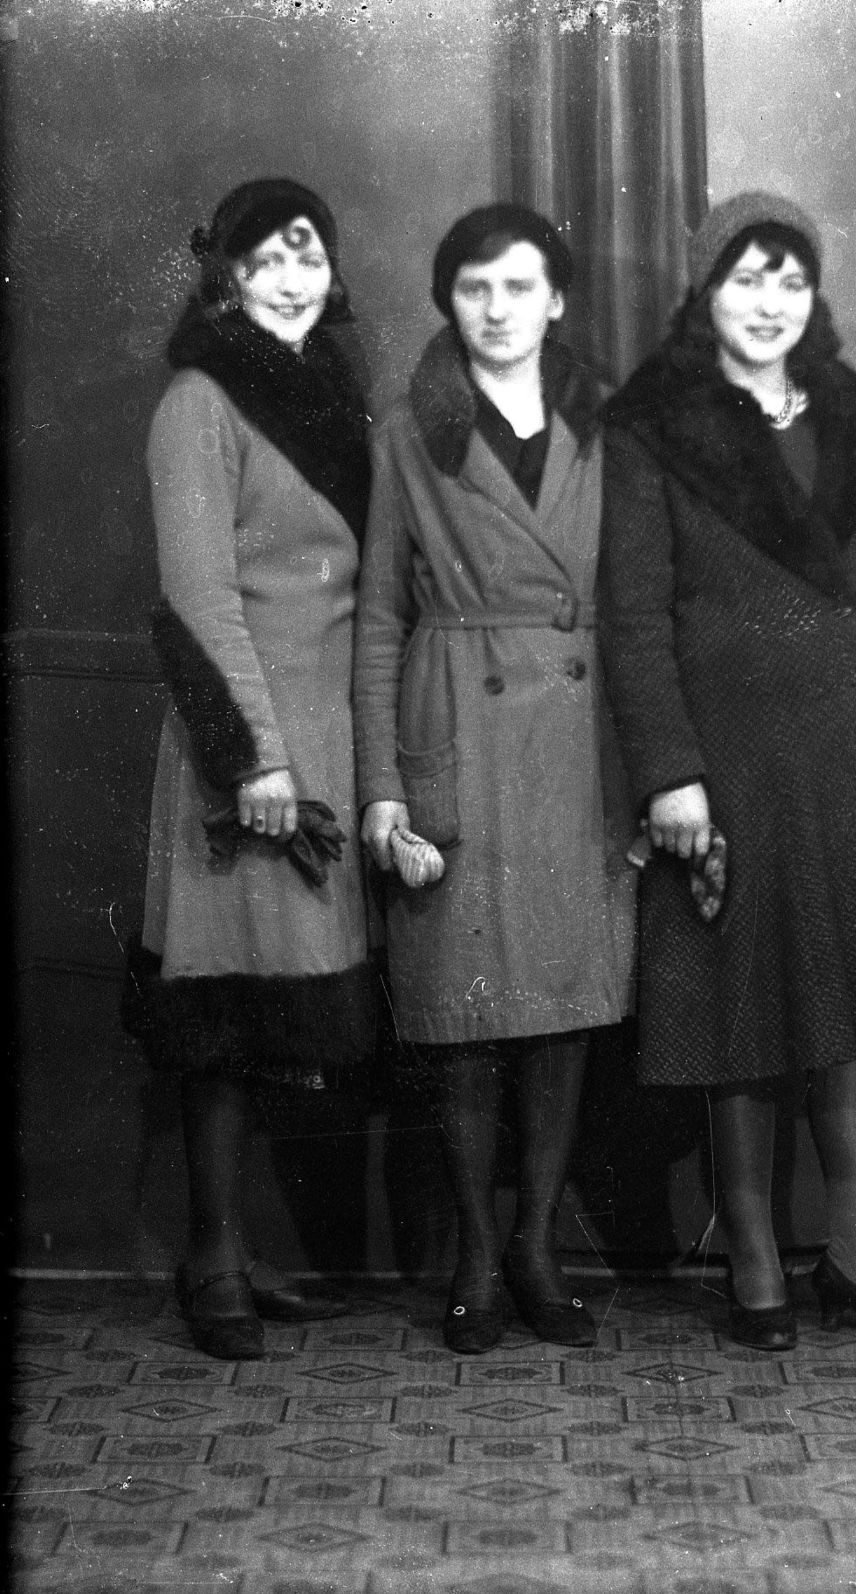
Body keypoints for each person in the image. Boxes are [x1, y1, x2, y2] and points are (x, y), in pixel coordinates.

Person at [599, 191, 856, 1351]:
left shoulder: (852, 411)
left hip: (846, 745)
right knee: (743, 1004)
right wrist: (670, 772)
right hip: (728, 758)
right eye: (744, 277)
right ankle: (754, 1261)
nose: (767, 302)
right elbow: (633, 616)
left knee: (855, 1003)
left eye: (789, 279)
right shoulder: (652, 426)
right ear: (704, 290)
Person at [353, 203, 635, 1354]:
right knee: (464, 1014)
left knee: (561, 1011)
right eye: (474, 288)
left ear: (555, 299)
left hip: (574, 743)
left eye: (519, 285)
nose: (497, 308)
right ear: (448, 302)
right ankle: (476, 1251)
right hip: (456, 729)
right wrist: (382, 786)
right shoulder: (406, 431)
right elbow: (379, 616)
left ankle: (535, 1245)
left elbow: (636, 600)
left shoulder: (608, 425)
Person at [123, 179, 374, 1359]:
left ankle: (237, 1248)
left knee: (279, 1007)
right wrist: (254, 762)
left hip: (325, 735)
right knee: (221, 1013)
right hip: (246, 748)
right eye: (264, 259)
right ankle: (214, 1260)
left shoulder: (331, 393)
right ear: (223, 278)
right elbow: (197, 598)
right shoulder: (197, 401)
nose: (289, 278)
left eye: (306, 255)